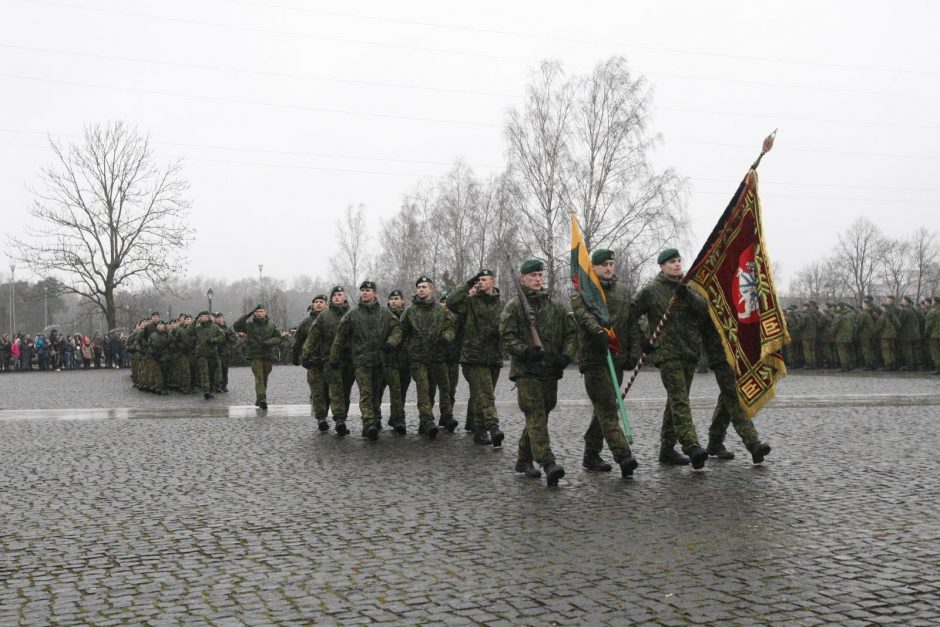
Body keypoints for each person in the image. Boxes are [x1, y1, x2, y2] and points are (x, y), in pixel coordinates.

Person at [500, 259, 577, 486]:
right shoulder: (514, 306)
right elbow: (506, 336)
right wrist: (525, 350)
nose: (537, 279)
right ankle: (548, 462)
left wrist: (567, 355)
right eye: (532, 275)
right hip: (526, 370)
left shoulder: (555, 305)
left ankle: (523, 459)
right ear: (522, 278)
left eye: (540, 275)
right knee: (535, 413)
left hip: (550, 370)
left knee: (542, 413)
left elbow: (571, 333)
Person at [632, 248, 709, 469]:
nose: (677, 264)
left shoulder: (688, 287)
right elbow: (631, 313)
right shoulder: (651, 290)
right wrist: (644, 340)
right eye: (671, 262)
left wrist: (689, 295)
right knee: (680, 400)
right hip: (667, 353)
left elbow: (704, 311)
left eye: (678, 261)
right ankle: (691, 445)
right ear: (662, 266)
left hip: (689, 352)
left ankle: (667, 450)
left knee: (675, 400)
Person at [570, 249, 642, 477]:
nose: (609, 268)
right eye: (604, 265)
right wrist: (598, 332)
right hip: (594, 359)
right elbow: (583, 315)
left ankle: (591, 454)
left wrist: (633, 352)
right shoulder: (583, 291)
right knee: (609, 407)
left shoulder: (622, 291)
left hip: (617, 359)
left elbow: (631, 323)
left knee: (602, 408)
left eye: (612, 263)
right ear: (594, 267)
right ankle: (624, 456)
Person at [329, 280, 402, 441]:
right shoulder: (353, 314)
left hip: (379, 360)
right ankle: (369, 423)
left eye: (368, 290)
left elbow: (397, 329)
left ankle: (375, 420)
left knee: (376, 393)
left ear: (375, 293)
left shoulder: (384, 313)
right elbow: (339, 337)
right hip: (361, 361)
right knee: (366, 393)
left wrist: (391, 342)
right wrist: (334, 357)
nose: (364, 293)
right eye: (362, 290)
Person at [446, 268, 505, 447]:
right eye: (477, 280)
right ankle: (493, 426)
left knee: (483, 395)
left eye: (483, 279)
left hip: (494, 356)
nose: (480, 282)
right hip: (473, 358)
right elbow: (451, 301)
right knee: (486, 393)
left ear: (493, 282)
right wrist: (468, 283)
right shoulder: (470, 303)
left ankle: (479, 431)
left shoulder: (502, 305)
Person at [701, 319, 773, 464]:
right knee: (734, 398)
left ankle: (715, 442)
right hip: (720, 354)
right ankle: (753, 444)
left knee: (727, 398)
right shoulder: (709, 298)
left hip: (736, 352)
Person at [400, 276, 456, 439]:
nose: (421, 289)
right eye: (419, 287)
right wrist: (404, 348)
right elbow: (401, 332)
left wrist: (445, 338)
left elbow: (450, 327)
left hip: (438, 356)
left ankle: (446, 415)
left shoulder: (441, 310)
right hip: (418, 357)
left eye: (424, 287)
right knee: (423, 388)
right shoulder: (410, 311)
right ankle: (426, 420)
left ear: (432, 289)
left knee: (444, 387)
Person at [304, 286, 352, 434]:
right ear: (331, 299)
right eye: (334, 295)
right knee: (334, 390)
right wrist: (306, 354)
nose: (337, 297)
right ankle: (337, 420)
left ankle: (341, 416)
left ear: (345, 297)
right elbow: (312, 337)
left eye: (339, 294)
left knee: (345, 391)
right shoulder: (324, 316)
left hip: (349, 360)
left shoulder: (352, 314)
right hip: (329, 360)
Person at [233, 305, 283, 410]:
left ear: (265, 313)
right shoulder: (249, 325)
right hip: (255, 354)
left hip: (267, 354)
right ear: (255, 313)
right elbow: (236, 326)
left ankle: (259, 397)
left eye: (261, 311)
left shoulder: (271, 325)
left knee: (264, 377)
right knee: (259, 377)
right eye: (257, 311)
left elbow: (278, 337)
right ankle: (262, 398)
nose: (259, 313)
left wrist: (268, 342)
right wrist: (249, 313)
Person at [379, 289, 410, 433]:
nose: (393, 301)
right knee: (388, 390)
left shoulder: (408, 315)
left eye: (396, 298)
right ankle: (396, 419)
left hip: (405, 359)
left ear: (402, 300)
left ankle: (394, 417)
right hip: (387, 359)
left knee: (401, 391)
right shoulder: (383, 316)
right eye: (391, 299)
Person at [293, 296, 327, 410]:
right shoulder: (306, 322)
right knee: (315, 386)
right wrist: (295, 356)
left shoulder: (331, 318)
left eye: (321, 302)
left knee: (328, 388)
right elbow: (297, 341)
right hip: (312, 359)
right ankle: (320, 416)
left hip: (329, 359)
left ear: (326, 305)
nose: (318, 304)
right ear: (312, 305)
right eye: (316, 302)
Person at [193, 311, 224, 399]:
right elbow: (189, 332)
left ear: (208, 317)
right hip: (201, 353)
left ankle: (210, 390)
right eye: (200, 316)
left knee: (212, 373)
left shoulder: (215, 327)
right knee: (204, 372)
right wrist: (196, 319)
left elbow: (222, 336)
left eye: (203, 316)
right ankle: (206, 390)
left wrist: (214, 340)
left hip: (212, 353)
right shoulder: (197, 328)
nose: (201, 317)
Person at [214, 313, 237, 392]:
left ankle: (224, 385)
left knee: (224, 370)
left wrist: (228, 337)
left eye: (220, 317)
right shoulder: (214, 328)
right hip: (216, 351)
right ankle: (217, 386)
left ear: (223, 319)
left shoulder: (228, 329)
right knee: (216, 369)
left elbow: (234, 339)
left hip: (225, 352)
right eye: (217, 318)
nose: (219, 319)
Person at [926, 296, 940, 375]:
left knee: (936, 352)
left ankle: (938, 369)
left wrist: (926, 334)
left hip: (935, 335)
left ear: (934, 302)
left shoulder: (933, 311)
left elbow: (929, 325)